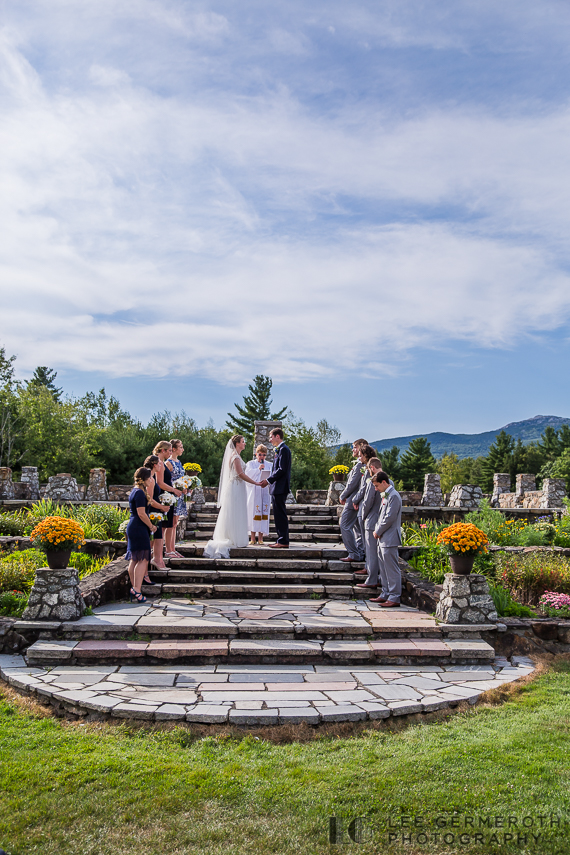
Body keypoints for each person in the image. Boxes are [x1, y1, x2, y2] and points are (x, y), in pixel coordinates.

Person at [204, 435, 265, 559]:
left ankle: (237, 537)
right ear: (237, 443)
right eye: (243, 442)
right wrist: (255, 483)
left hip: (238, 486)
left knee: (237, 512)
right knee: (234, 511)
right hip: (235, 487)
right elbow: (241, 474)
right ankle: (233, 538)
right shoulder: (235, 457)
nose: (245, 444)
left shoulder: (237, 456)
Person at [369, 471, 403, 607]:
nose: (376, 489)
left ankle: (394, 597)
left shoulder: (394, 496)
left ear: (384, 482)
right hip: (383, 538)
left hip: (389, 537)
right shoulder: (387, 495)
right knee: (383, 567)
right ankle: (385, 593)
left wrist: (378, 530)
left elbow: (390, 517)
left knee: (391, 568)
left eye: (377, 486)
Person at [125, 467, 158, 602]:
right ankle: (137, 589)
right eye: (150, 477)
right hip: (139, 527)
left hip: (134, 526)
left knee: (135, 558)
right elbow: (141, 513)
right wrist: (151, 526)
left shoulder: (135, 491)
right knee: (143, 558)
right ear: (144, 479)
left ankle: (135, 588)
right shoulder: (139, 493)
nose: (151, 480)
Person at [354, 457, 384, 590]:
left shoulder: (374, 481)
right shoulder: (389, 480)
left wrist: (363, 516)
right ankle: (380, 578)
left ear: (372, 468)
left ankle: (371, 580)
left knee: (371, 552)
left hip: (372, 519)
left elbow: (367, 501)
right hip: (382, 520)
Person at [339, 438, 368, 563]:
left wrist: (342, 495)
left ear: (361, 447)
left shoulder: (360, 465)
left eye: (355, 447)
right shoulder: (362, 464)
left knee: (344, 525)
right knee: (357, 528)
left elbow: (352, 484)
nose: (353, 449)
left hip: (353, 500)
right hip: (357, 500)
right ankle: (360, 551)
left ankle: (353, 553)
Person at [153, 441, 184, 559]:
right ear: (163, 450)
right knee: (165, 526)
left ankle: (168, 550)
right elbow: (160, 482)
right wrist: (174, 490)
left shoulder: (162, 463)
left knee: (170, 524)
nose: (170, 453)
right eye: (169, 451)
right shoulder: (161, 463)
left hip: (171, 496)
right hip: (166, 496)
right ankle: (162, 552)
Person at [143, 454, 171, 575]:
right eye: (160, 463)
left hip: (157, 511)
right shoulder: (150, 478)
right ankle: (154, 561)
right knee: (156, 537)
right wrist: (162, 506)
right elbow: (149, 499)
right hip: (152, 512)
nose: (161, 466)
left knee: (159, 536)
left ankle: (158, 560)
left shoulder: (152, 476)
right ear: (154, 465)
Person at [266, 427, 292, 549]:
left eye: (271, 437)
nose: (270, 440)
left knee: (280, 514)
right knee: (278, 514)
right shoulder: (280, 449)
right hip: (277, 487)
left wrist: (268, 480)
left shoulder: (284, 449)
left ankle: (283, 540)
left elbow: (282, 469)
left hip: (280, 487)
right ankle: (281, 539)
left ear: (277, 436)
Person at [166, 438, 189, 557]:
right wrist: (177, 487)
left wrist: (186, 486)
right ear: (173, 449)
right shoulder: (168, 463)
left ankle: (173, 548)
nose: (182, 449)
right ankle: (168, 550)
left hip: (180, 496)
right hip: (172, 496)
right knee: (171, 523)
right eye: (180, 447)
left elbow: (182, 478)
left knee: (175, 523)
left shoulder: (179, 462)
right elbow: (167, 481)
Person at [245, 444, 271, 544]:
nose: (262, 457)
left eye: (264, 455)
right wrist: (258, 469)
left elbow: (272, 475)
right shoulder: (251, 464)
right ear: (256, 454)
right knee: (254, 513)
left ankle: (260, 538)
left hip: (264, 491)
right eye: (260, 454)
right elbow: (248, 475)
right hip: (255, 491)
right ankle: (252, 538)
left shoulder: (269, 464)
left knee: (263, 513)